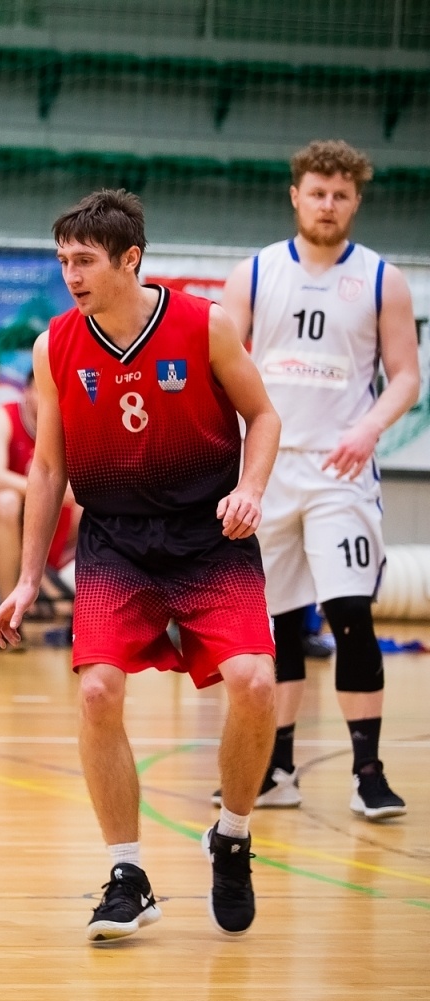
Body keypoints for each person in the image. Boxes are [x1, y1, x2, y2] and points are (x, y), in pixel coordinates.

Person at [0, 189, 282, 943]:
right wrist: (27, 578)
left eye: (84, 260)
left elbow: (264, 415)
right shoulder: (54, 345)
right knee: (97, 693)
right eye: (63, 260)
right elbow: (47, 467)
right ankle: (127, 876)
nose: (71, 275)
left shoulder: (203, 324)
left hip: (209, 533)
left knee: (255, 684)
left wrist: (251, 489)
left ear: (130, 260)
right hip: (115, 539)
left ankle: (233, 835)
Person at [219, 140, 420, 820]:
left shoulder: (383, 279)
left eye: (340, 195)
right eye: (317, 193)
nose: (327, 205)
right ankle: (276, 769)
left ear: (355, 201)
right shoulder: (253, 273)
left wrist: (368, 429)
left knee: (350, 615)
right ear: (295, 196)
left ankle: (368, 773)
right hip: (268, 471)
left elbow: (406, 377)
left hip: (341, 472)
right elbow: (221, 367)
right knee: (274, 625)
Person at [0, 371, 82, 621]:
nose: (48, 398)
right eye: (40, 391)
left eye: (55, 393)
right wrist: (45, 490)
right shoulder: (3, 415)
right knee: (7, 502)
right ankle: (8, 611)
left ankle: (89, 607)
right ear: (26, 393)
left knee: (93, 506)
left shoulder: (70, 421)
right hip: (4, 512)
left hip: (52, 513)